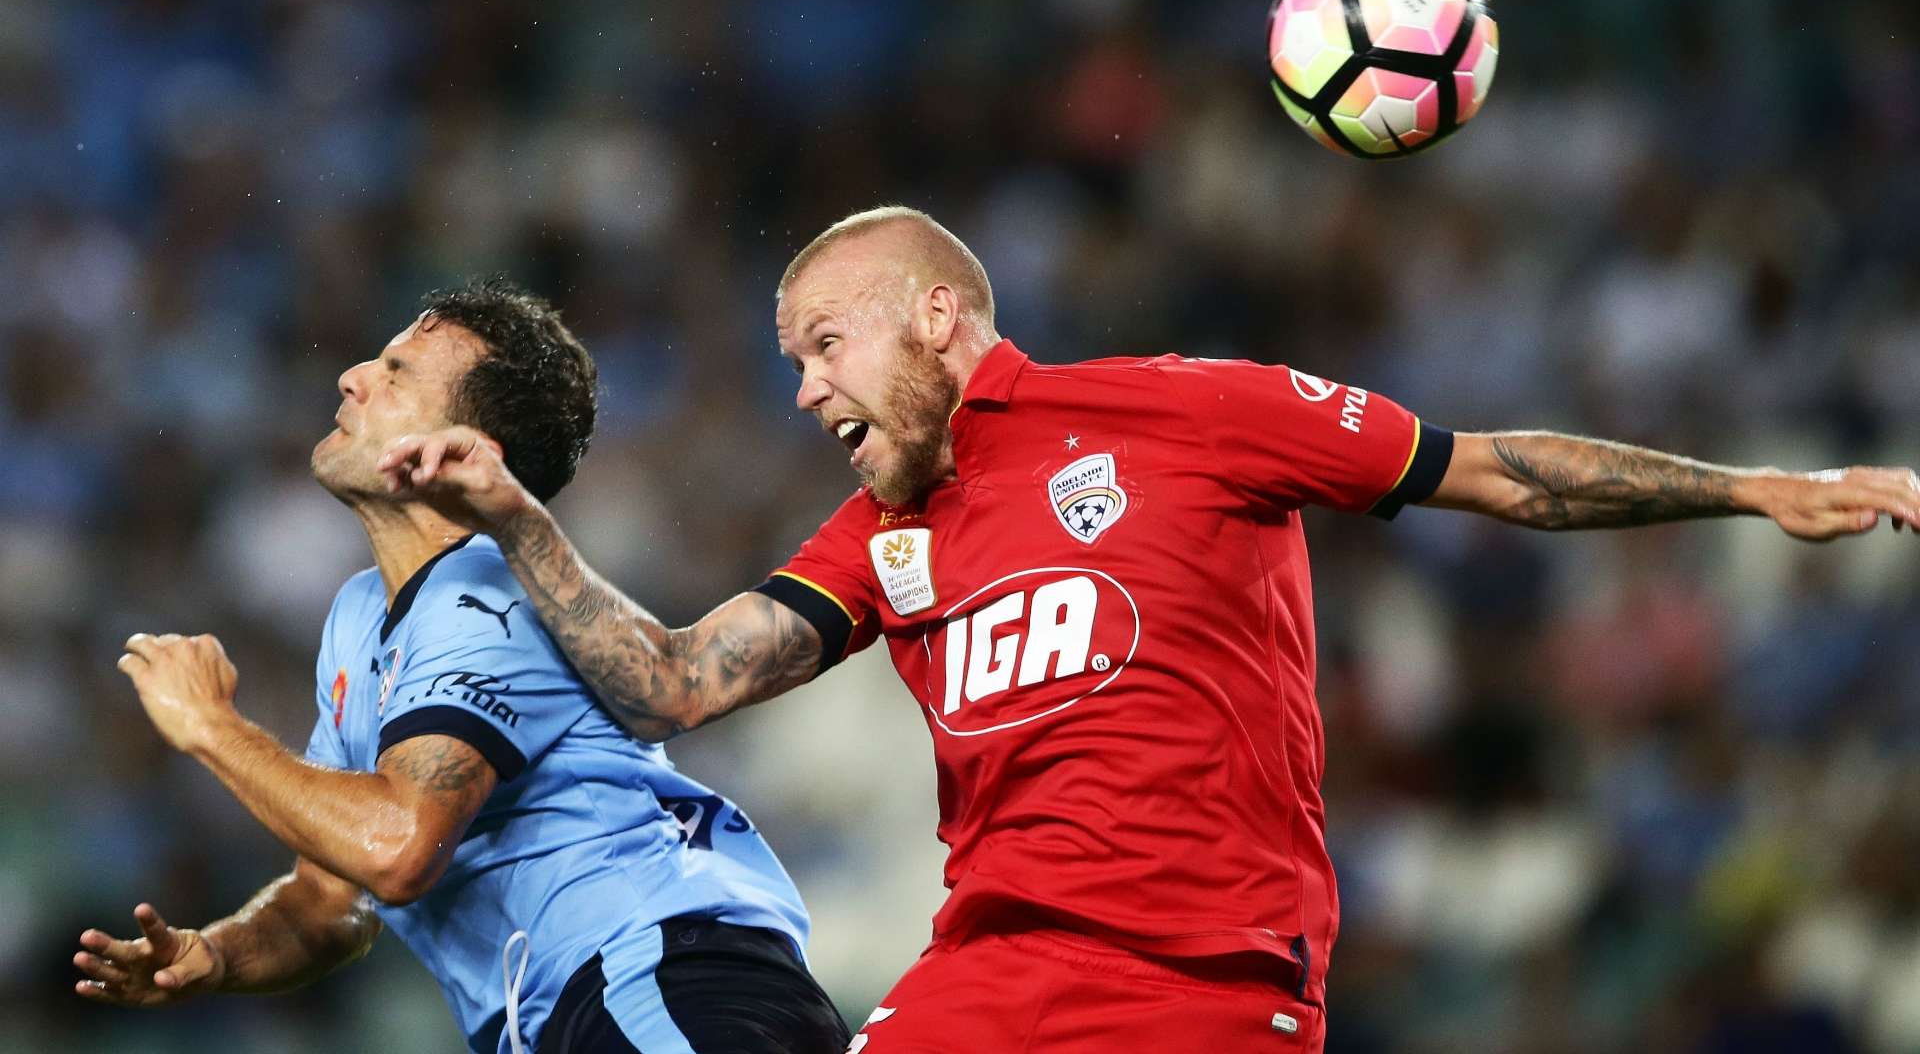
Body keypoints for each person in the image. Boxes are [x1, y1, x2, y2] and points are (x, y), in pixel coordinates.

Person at [377, 211, 1920, 1052]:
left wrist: (1756, 488)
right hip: (983, 980)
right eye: (789, 363)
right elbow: (672, 684)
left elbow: (1498, 473)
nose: (804, 391)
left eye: (823, 344)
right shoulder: (879, 538)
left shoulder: (1189, 413)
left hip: (1201, 984)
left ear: (936, 315)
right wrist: (515, 516)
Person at [74, 278, 851, 1054]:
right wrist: (216, 957)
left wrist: (214, 729)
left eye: (397, 375)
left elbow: (399, 849)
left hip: (656, 976)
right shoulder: (360, 612)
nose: (352, 378)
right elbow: (330, 901)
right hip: (599, 1004)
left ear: (468, 451)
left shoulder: (488, 596)